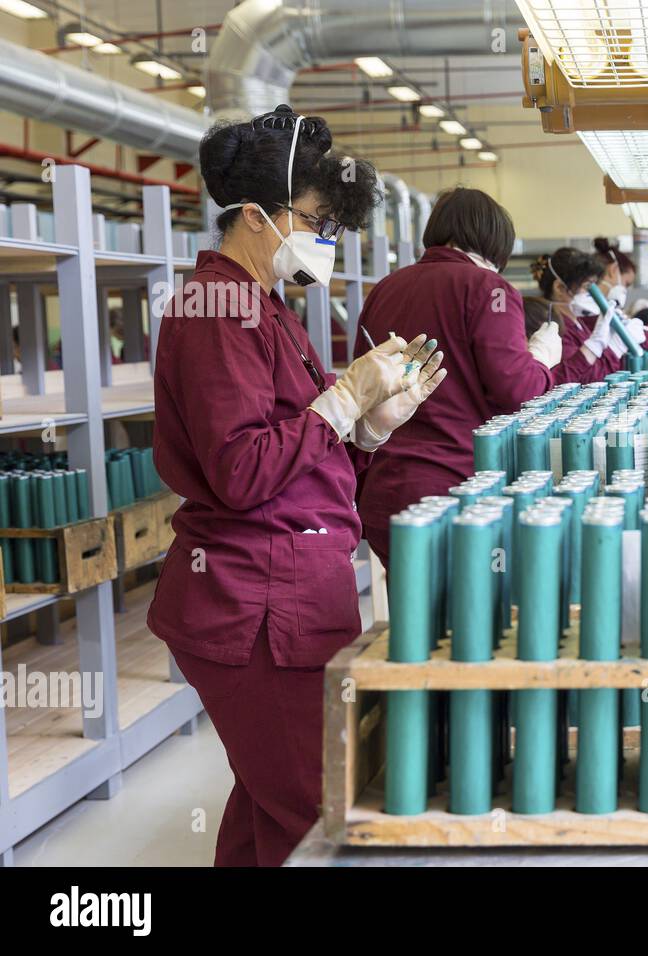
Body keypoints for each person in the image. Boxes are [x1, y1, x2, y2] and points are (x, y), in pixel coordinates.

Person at [149, 105, 446, 866]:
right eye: (316, 222)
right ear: (256, 215)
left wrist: (372, 427)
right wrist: (343, 397)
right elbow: (243, 472)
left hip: (291, 589)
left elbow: (303, 455)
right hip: (255, 605)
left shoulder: (266, 307)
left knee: (266, 802)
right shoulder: (216, 311)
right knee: (312, 808)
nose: (327, 242)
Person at [354, 187, 559, 566]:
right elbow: (520, 391)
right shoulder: (487, 288)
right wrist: (543, 361)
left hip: (383, 490)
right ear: (494, 243)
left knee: (414, 613)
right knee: (468, 614)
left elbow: (362, 385)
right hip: (454, 491)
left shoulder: (384, 289)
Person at [530, 246, 634, 383]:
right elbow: (586, 378)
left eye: (594, 285)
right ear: (560, 288)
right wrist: (614, 349)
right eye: (587, 287)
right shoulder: (554, 328)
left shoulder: (577, 321)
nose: (594, 293)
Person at [591, 236, 648, 348]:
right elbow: (645, 340)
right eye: (626, 283)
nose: (625, 290)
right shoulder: (591, 310)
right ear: (613, 270)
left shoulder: (599, 307)